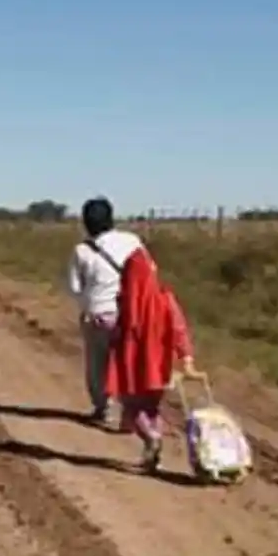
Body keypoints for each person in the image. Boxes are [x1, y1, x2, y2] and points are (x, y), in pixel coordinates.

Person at [106, 245, 200, 473]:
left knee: (131, 406)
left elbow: (116, 331)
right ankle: (153, 458)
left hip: (131, 364)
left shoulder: (126, 303)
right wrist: (186, 357)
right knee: (151, 408)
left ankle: (150, 438)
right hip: (159, 366)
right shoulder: (165, 299)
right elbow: (179, 329)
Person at [67, 197, 144, 425]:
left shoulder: (81, 250)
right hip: (130, 314)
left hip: (98, 314)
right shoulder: (132, 241)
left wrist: (88, 302)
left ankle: (104, 408)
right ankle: (132, 413)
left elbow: (74, 288)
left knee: (97, 365)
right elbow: (148, 270)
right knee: (127, 363)